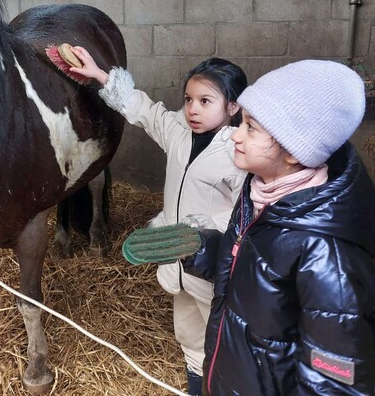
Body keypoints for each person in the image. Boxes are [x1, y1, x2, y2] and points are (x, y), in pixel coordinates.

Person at [183, 60, 375, 395]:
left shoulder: (326, 257)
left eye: (251, 127)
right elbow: (257, 270)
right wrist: (202, 249)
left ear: (294, 151)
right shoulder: (262, 193)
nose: (236, 134)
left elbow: (336, 384)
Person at [69, 47, 248, 396]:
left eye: (206, 101)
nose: (193, 108)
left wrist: (206, 230)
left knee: (224, 337)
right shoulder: (178, 132)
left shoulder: (236, 152)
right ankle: (197, 387)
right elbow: (144, 111)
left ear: (232, 107)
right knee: (188, 335)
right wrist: (99, 74)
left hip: (213, 266)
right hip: (178, 259)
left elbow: (246, 211)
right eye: (188, 99)